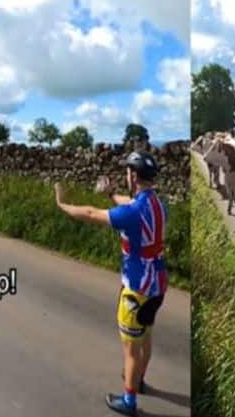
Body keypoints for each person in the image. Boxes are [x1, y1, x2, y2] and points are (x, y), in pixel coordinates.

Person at [54, 151, 168, 416]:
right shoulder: (157, 205)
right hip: (158, 283)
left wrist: (63, 205)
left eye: (128, 171)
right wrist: (110, 194)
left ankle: (129, 401)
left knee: (131, 349)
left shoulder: (131, 213)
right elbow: (127, 202)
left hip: (136, 287)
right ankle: (139, 380)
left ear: (134, 175)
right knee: (147, 335)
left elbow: (92, 214)